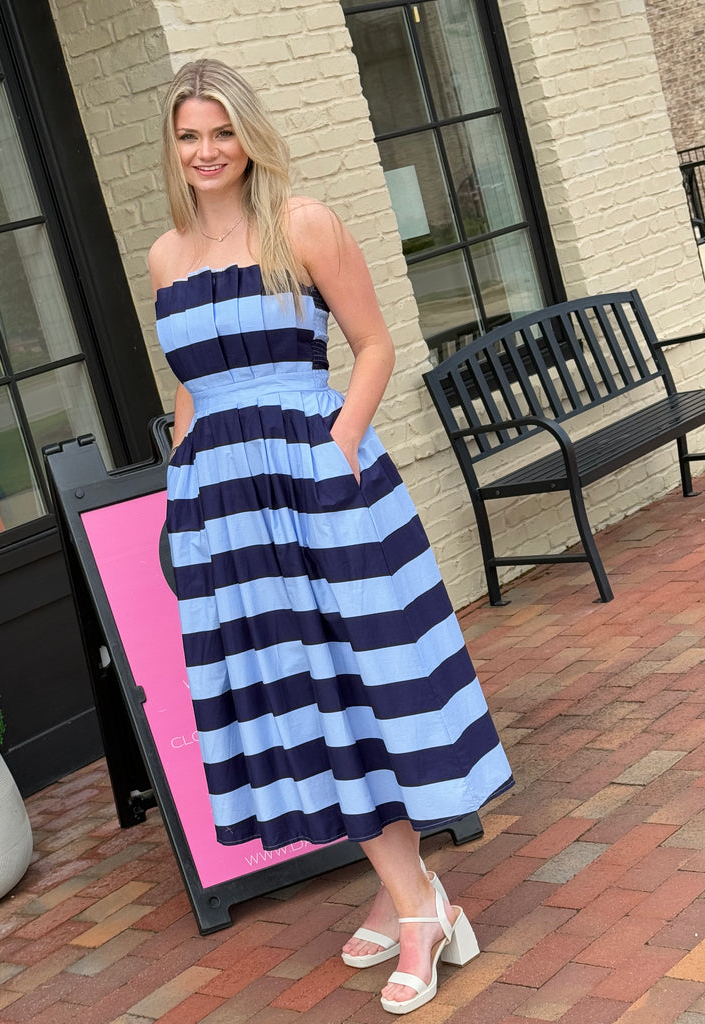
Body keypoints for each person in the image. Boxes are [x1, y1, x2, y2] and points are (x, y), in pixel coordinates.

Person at [149, 58, 513, 1015]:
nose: (206, 151)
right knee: (303, 695)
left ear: (248, 136)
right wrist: (182, 485)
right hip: (226, 506)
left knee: (359, 683)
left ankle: (420, 909)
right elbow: (191, 384)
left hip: (318, 485)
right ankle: (410, 894)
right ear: (172, 147)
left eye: (221, 132)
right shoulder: (164, 256)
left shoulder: (302, 223)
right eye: (189, 136)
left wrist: (338, 446)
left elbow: (375, 344)